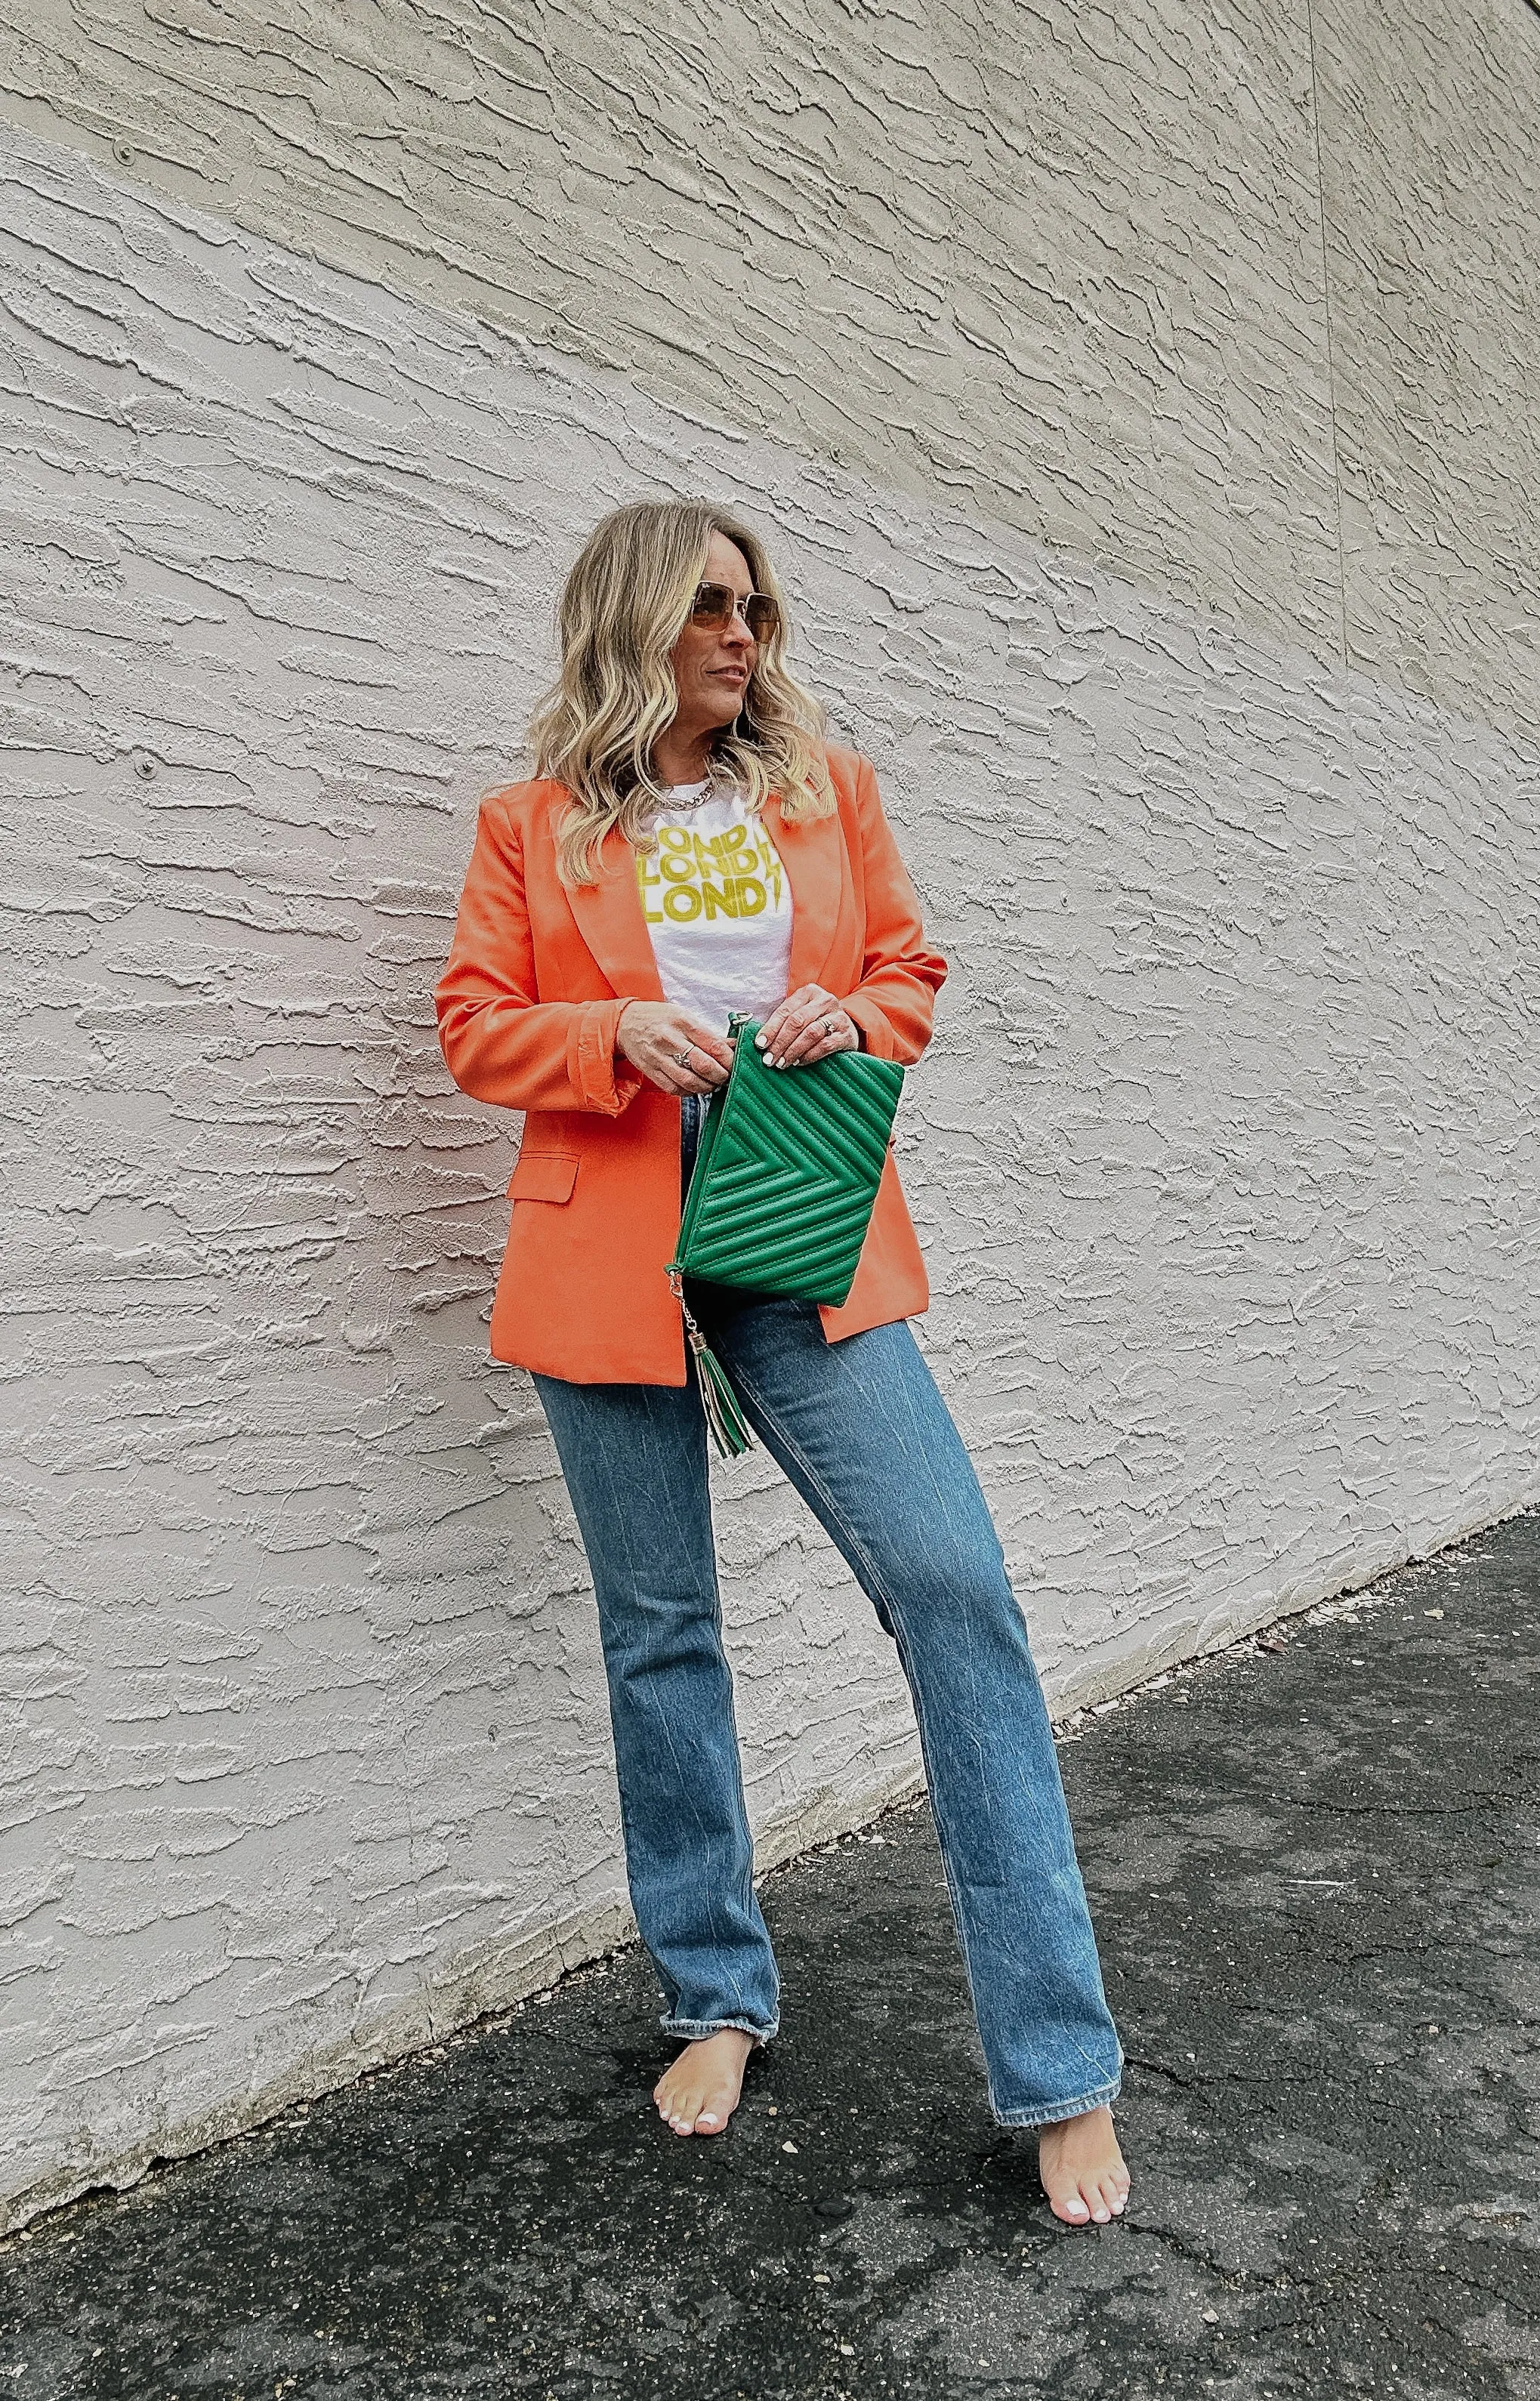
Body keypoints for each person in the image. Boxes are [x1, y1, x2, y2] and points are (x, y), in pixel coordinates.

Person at [434, 498, 1130, 2227]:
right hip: (610, 1258)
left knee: (956, 1587)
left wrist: (847, 1018)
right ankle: (715, 1989)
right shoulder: (529, 826)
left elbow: (907, 968)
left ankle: (1060, 2065)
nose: (747, 635)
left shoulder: (824, 794)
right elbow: (472, 1021)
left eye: (756, 607)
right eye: (711, 608)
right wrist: (610, 1032)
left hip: (801, 1244)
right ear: (633, 625)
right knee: (661, 1629)